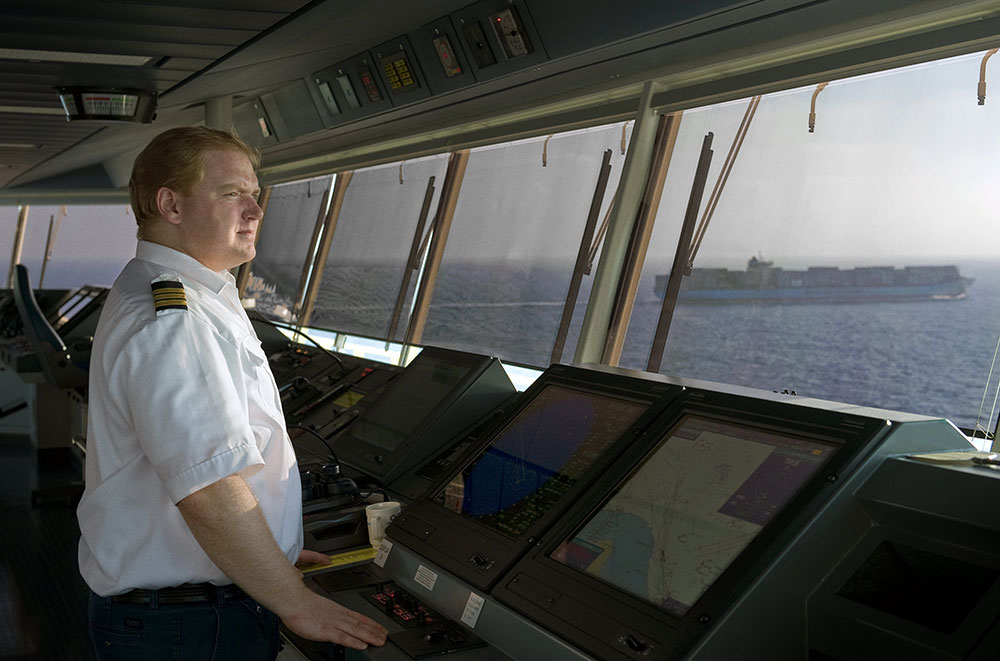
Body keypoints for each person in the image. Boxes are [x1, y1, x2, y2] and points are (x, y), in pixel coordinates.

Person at [76, 126, 388, 660]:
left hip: (186, 610)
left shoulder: (174, 292)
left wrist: (275, 551)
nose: (255, 210)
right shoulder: (174, 322)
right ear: (170, 205)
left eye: (255, 194)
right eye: (232, 194)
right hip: (191, 626)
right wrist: (295, 601)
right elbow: (210, 489)